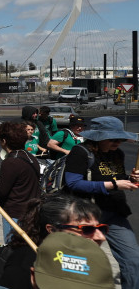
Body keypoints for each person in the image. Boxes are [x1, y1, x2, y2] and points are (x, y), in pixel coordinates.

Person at [64, 116, 139, 289]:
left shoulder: (117, 153)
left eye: (120, 138)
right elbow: (74, 183)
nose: (117, 142)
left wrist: (130, 179)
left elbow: (117, 179)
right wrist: (113, 185)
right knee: (79, 264)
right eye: (112, 138)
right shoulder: (80, 152)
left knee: (133, 260)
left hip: (114, 213)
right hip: (85, 215)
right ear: (97, 137)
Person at [0, 194, 107, 289]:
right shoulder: (24, 264)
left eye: (100, 228)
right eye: (86, 229)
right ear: (52, 230)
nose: (100, 237)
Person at [0, 121, 41, 244]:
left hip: (15, 214)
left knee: (12, 250)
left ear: (4, 141)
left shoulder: (11, 161)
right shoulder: (30, 157)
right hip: (31, 213)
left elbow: (2, 191)